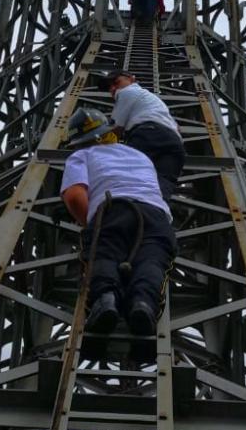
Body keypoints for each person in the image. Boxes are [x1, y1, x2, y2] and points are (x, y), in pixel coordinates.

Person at [60, 107, 175, 338]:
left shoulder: (82, 155)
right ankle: (143, 304)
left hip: (112, 208)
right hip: (156, 214)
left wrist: (91, 222)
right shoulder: (140, 156)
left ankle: (106, 300)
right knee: (152, 261)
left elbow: (74, 195)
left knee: (104, 255)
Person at [105, 71, 186, 202]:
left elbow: (116, 128)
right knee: (162, 187)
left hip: (148, 135)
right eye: (109, 87)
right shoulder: (154, 100)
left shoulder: (126, 92)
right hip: (175, 145)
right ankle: (156, 213)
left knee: (129, 179)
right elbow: (178, 128)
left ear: (132, 79)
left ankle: (125, 213)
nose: (113, 89)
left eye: (116, 82)